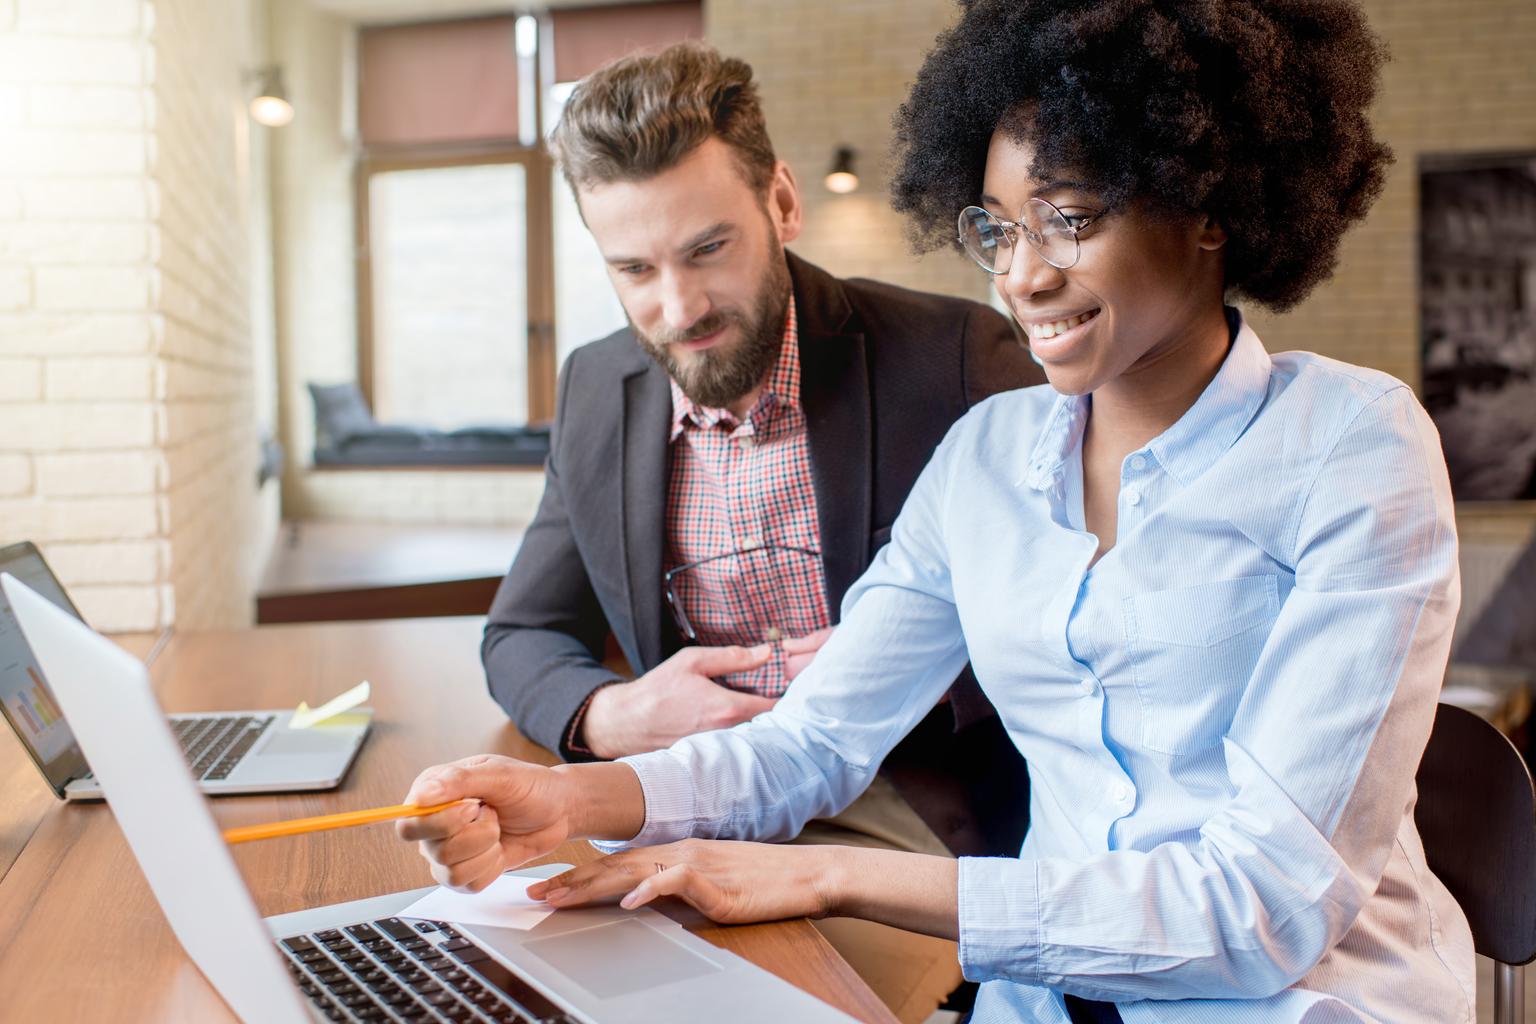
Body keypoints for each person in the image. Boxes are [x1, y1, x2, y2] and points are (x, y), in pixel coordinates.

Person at [401, 3, 1474, 1021]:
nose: (1024, 276)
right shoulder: (987, 459)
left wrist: (823, 872)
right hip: (1044, 993)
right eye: (997, 229)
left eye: (1069, 219)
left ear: (1207, 203)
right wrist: (572, 804)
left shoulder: (1351, 443)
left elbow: (1261, 910)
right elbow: (811, 743)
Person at [478, 40, 1042, 1023]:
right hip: (691, 797)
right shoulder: (596, 389)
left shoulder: (955, 361)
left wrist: (914, 666)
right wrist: (615, 717)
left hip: (901, 814)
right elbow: (520, 634)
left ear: (782, 201)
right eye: (633, 268)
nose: (677, 307)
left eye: (707, 249)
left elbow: (1081, 628)